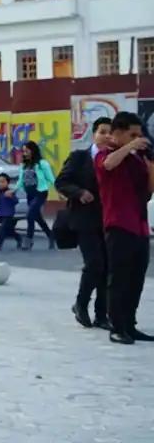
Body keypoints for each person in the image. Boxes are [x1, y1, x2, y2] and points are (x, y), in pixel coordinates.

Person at [95, 112, 154, 345]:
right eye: (132, 134)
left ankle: (130, 324)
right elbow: (109, 165)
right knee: (119, 278)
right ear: (117, 133)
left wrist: (149, 161)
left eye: (140, 134)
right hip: (118, 224)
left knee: (136, 278)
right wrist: (129, 146)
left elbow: (150, 187)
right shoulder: (105, 154)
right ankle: (116, 326)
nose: (138, 139)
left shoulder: (137, 159)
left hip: (140, 225)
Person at [55, 117, 112, 330]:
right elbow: (61, 181)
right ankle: (81, 304)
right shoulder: (80, 157)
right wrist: (79, 192)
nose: (107, 136)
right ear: (94, 134)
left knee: (107, 267)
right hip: (84, 220)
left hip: (109, 220)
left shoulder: (116, 159)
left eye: (110, 132)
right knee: (95, 263)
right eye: (103, 132)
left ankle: (101, 314)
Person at [12, 141, 56, 249]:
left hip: (40, 193)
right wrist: (13, 190)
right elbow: (20, 181)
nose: (25, 153)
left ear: (33, 150)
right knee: (37, 218)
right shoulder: (23, 165)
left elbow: (51, 179)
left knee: (30, 215)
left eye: (27, 150)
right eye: (23, 151)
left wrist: (61, 191)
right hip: (29, 194)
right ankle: (51, 235)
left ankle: (28, 240)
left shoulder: (42, 164)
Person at [0, 174, 22, 250]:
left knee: (3, 229)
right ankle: (18, 238)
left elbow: (16, 201)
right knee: (9, 230)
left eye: (2, 182)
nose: (0, 184)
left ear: (7, 183)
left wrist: (11, 197)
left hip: (8, 214)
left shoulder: (10, 192)